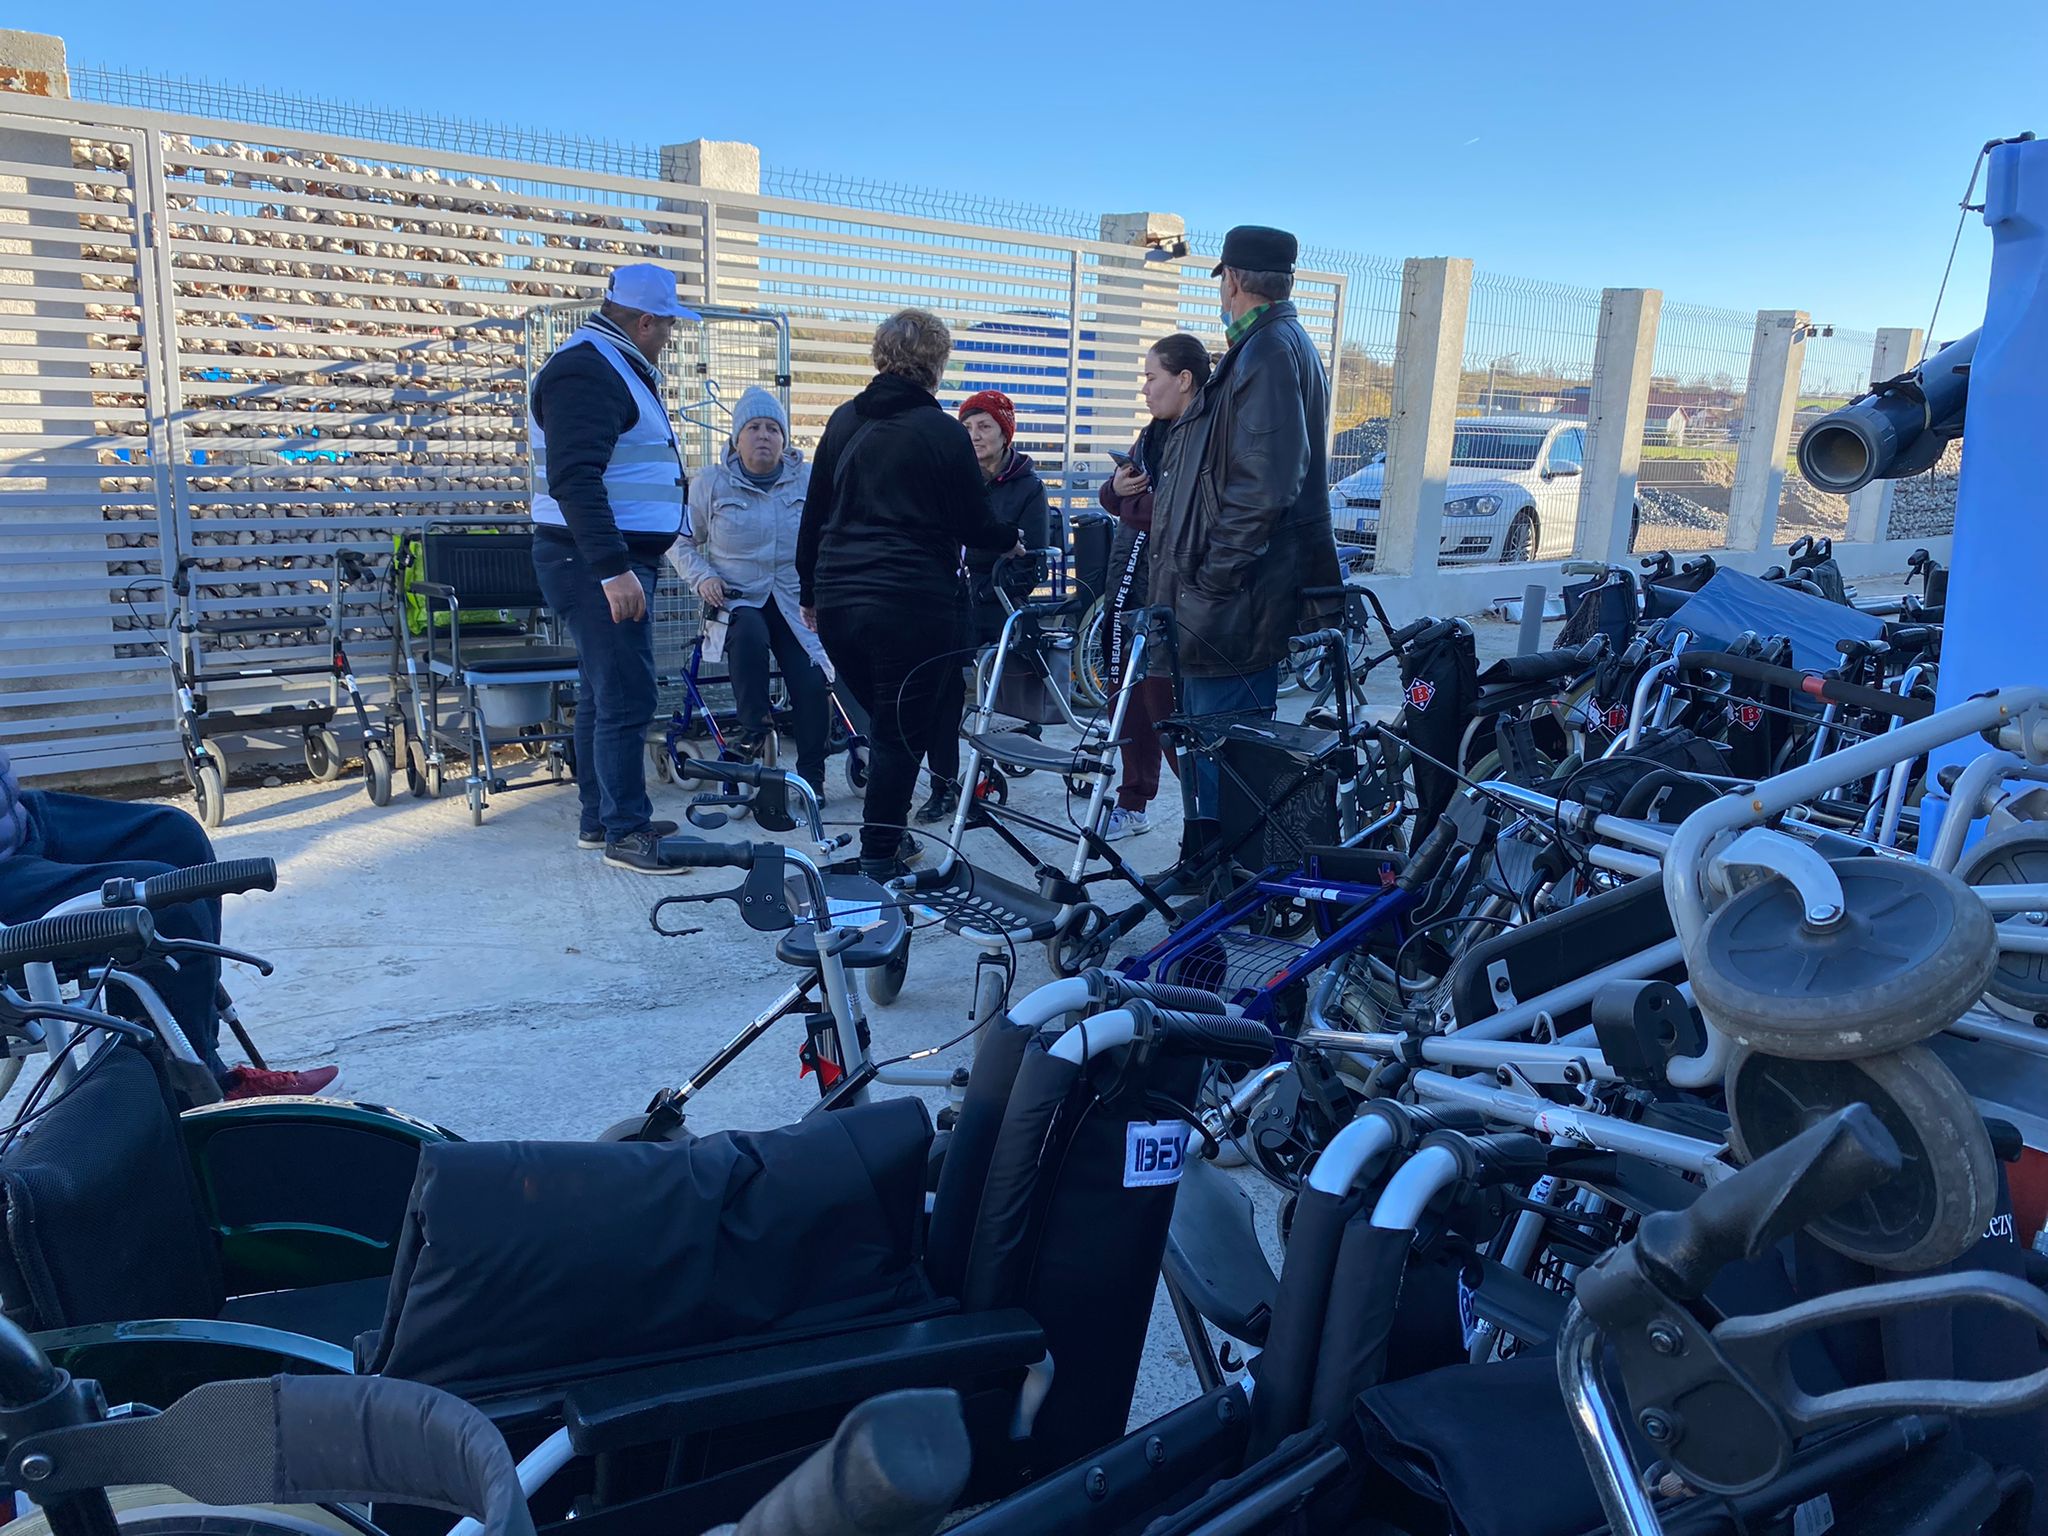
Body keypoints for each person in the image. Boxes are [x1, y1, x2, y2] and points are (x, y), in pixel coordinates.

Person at [797, 309, 1024, 881]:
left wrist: (809, 590)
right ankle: (880, 856)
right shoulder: (942, 432)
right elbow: (974, 523)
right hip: (910, 602)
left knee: (886, 724)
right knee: (901, 733)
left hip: (839, 601)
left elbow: (814, 512)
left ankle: (888, 837)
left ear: (881, 356)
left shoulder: (843, 420)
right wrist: (1010, 539)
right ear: (937, 364)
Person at [0, 744, 338, 1099]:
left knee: (175, 835)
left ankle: (177, 1055)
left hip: (17, 825)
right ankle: (185, 1088)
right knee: (162, 904)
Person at [1150, 225, 1342, 819]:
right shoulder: (1268, 345)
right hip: (1230, 600)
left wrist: (1212, 579)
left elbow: (1266, 485)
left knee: (1225, 759)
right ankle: (1209, 855)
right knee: (1213, 752)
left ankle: (1227, 870)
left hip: (1233, 604)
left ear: (1231, 280)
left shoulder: (1268, 350)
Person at [528, 263, 695, 873]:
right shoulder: (587, 370)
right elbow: (575, 477)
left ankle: (602, 819)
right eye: (668, 326)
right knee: (626, 693)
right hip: (595, 559)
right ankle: (626, 831)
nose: (670, 337)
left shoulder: (607, 363)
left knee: (604, 693)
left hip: (601, 557)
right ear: (645, 321)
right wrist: (611, 568)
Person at [670, 386, 832, 799]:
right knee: (749, 633)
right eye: (754, 428)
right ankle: (754, 729)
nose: (764, 436)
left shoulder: (809, 479)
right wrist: (703, 577)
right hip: (737, 598)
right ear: (736, 439)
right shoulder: (711, 483)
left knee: (812, 678)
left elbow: (832, 536)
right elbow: (679, 541)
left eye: (773, 429)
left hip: (795, 601)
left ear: (785, 439)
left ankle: (812, 776)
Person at [1095, 334, 1212, 841]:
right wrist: (1116, 490)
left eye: (1150, 377)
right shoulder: (1152, 435)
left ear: (1184, 379)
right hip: (1131, 588)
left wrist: (1129, 503)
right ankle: (1132, 803)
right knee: (1128, 704)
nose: (1144, 388)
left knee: (1168, 713)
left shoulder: (1206, 434)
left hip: (1176, 597)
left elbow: (1177, 513)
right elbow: (1119, 498)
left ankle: (1208, 819)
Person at [917, 389, 1051, 825]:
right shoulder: (951, 478)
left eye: (984, 426)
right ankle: (943, 785)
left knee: (988, 678)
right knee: (941, 687)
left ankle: (991, 757)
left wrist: (988, 588)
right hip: (952, 593)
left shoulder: (1028, 487)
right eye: (967, 427)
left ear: (1005, 432)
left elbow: (1032, 561)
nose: (974, 436)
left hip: (998, 596)